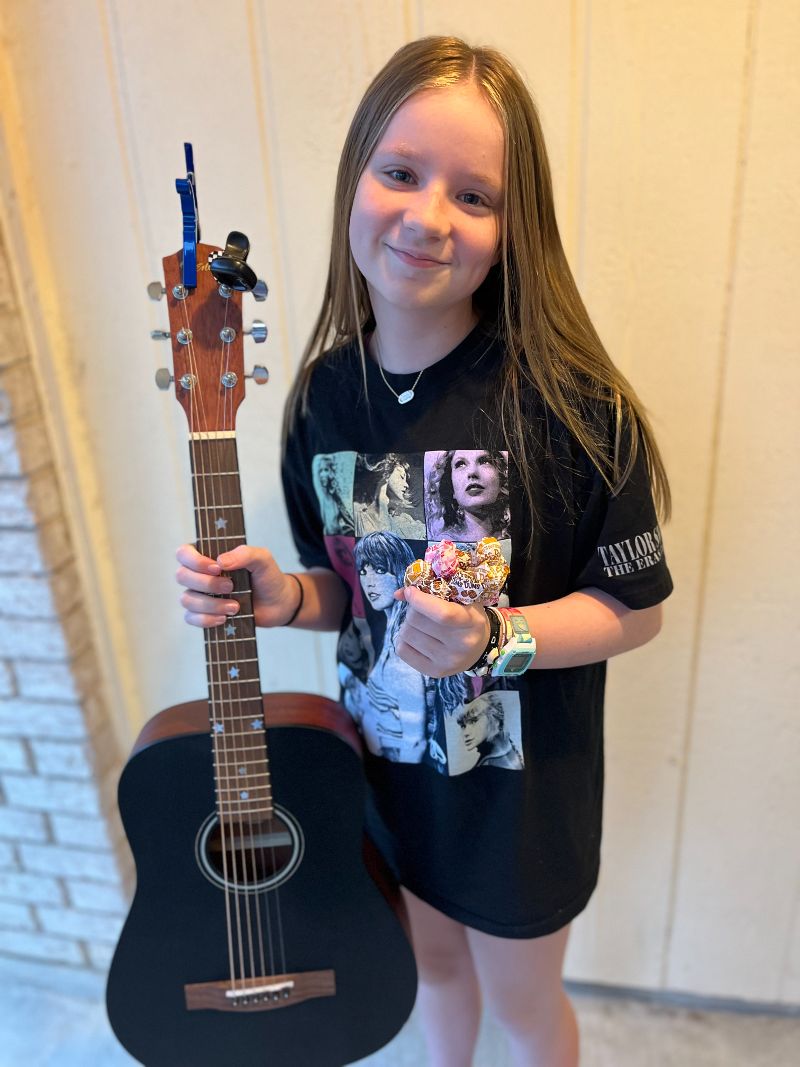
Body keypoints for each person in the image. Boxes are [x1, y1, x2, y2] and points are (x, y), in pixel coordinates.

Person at [176, 36, 673, 1067]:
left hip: (517, 807)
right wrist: (283, 594)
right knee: (431, 971)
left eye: (474, 195)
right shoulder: (322, 395)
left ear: (512, 227)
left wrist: (495, 636)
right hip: (384, 776)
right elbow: (349, 589)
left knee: (523, 1006)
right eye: (399, 172)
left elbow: (634, 607)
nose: (425, 215)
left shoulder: (575, 406)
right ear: (356, 176)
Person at [426, 448, 510, 541]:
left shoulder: (513, 537)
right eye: (460, 464)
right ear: (451, 488)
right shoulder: (442, 544)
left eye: (485, 461)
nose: (472, 472)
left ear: (502, 480)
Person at [354, 452, 427, 538]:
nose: (406, 485)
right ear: (387, 471)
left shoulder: (404, 524)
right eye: (402, 477)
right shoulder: (357, 515)